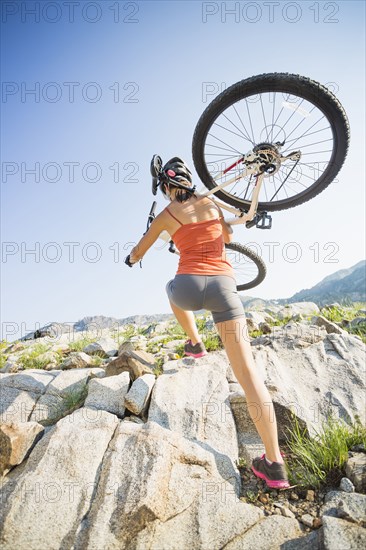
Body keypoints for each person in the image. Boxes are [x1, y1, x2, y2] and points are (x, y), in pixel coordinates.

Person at [125, 156, 290, 489]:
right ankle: (274, 465)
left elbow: (140, 251)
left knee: (170, 290)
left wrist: (130, 258)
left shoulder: (166, 214)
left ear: (168, 188)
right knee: (248, 377)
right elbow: (227, 239)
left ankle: (195, 343)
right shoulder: (212, 203)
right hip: (224, 290)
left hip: (187, 286)